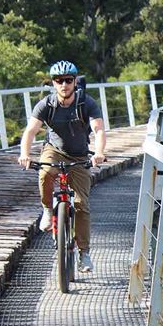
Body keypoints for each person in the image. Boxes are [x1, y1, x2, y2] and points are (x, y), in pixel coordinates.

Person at [17, 60, 107, 273]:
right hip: (54, 150)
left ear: (75, 81)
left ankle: (84, 253)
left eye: (68, 80)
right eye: (59, 81)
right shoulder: (46, 104)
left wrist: (100, 153)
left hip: (79, 155)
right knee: (45, 171)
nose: (64, 85)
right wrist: (24, 154)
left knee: (82, 204)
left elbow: (99, 130)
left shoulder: (86, 103)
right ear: (53, 83)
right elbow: (30, 131)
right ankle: (48, 209)